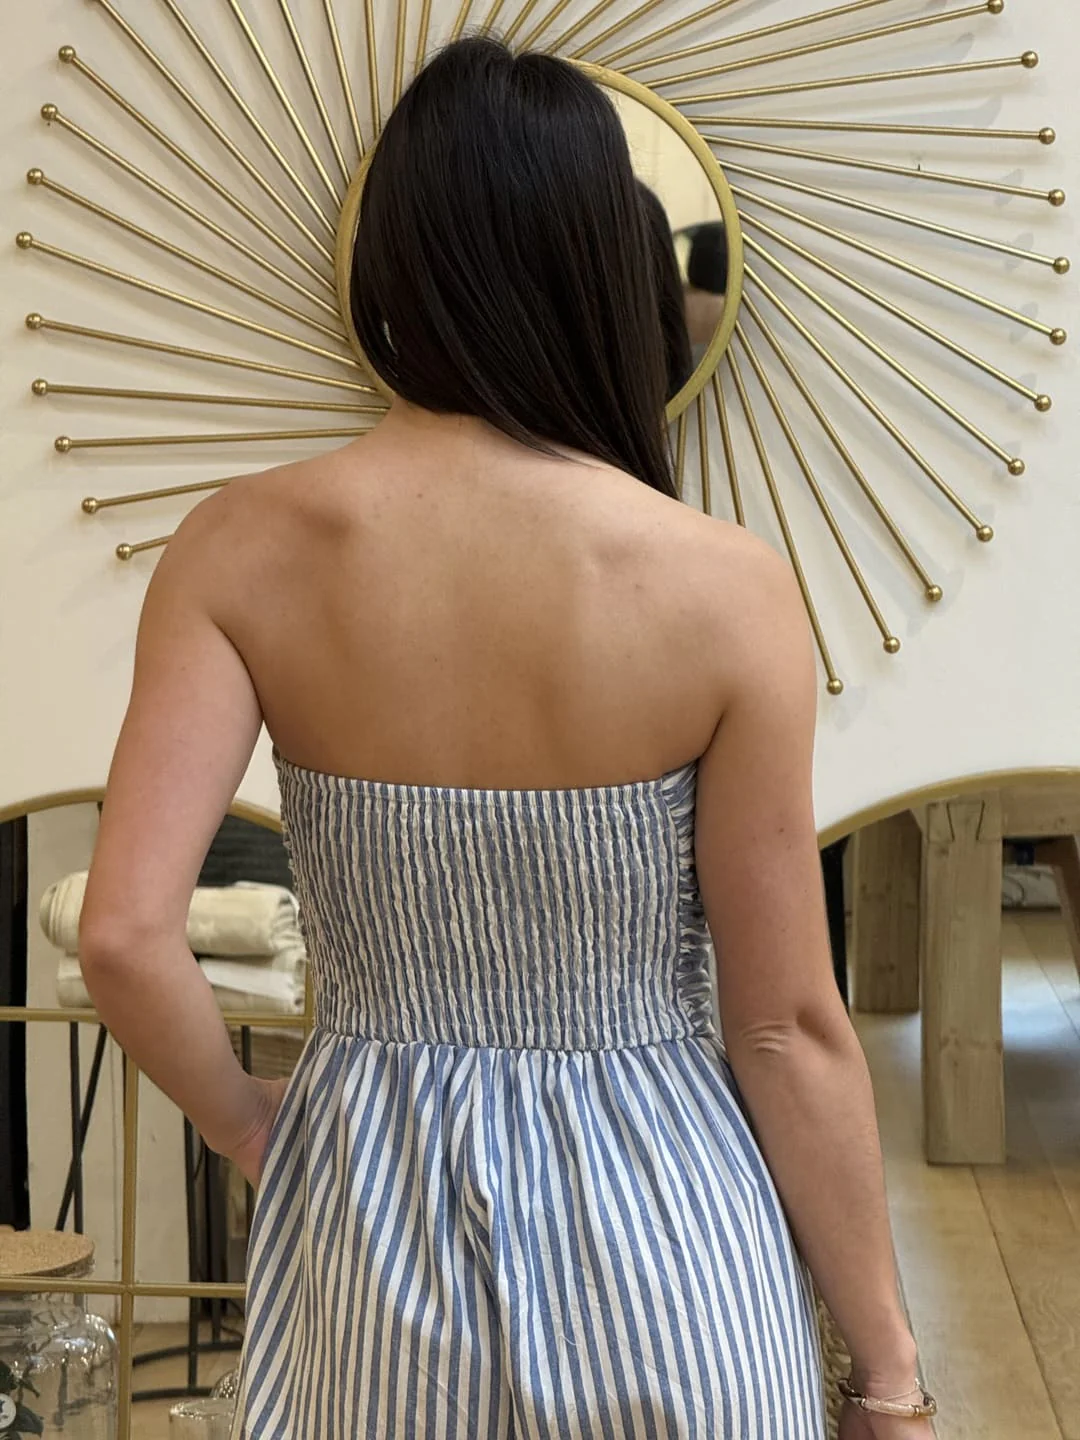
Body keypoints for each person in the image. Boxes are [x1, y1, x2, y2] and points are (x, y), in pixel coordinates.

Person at [79, 37, 933, 1440]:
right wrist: (890, 1373)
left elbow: (122, 935)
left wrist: (246, 1122)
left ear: (389, 264)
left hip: (371, 1234)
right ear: (608, 265)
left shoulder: (236, 550)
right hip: (672, 1241)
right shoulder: (724, 588)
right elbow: (784, 1027)